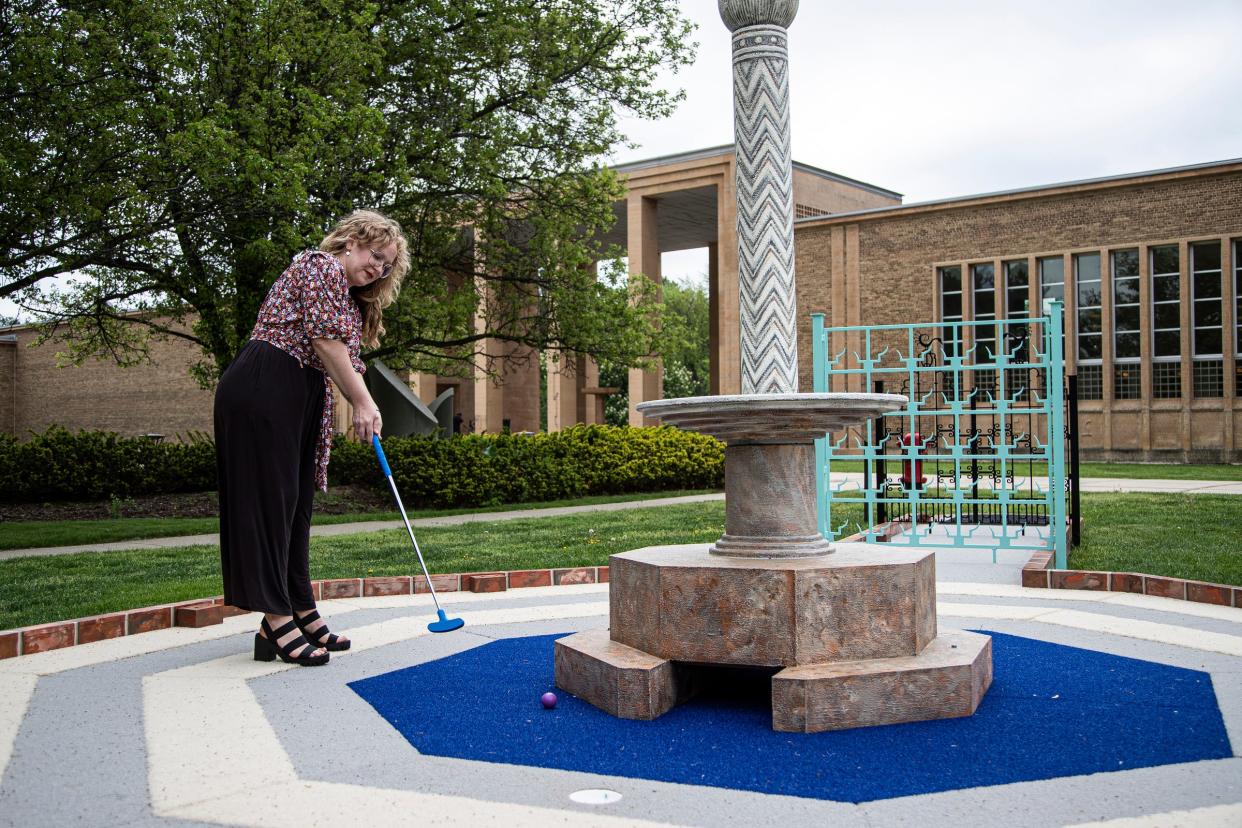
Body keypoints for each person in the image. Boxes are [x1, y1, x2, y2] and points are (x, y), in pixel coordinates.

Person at [214, 210, 408, 666]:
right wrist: (363, 403)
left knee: (295, 506)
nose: (378, 269)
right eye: (375, 256)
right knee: (269, 505)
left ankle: (299, 609)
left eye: (386, 265)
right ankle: (276, 616)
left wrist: (363, 399)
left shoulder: (348, 297)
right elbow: (324, 342)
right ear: (352, 242)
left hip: (299, 394)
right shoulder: (317, 266)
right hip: (264, 384)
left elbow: (345, 359)